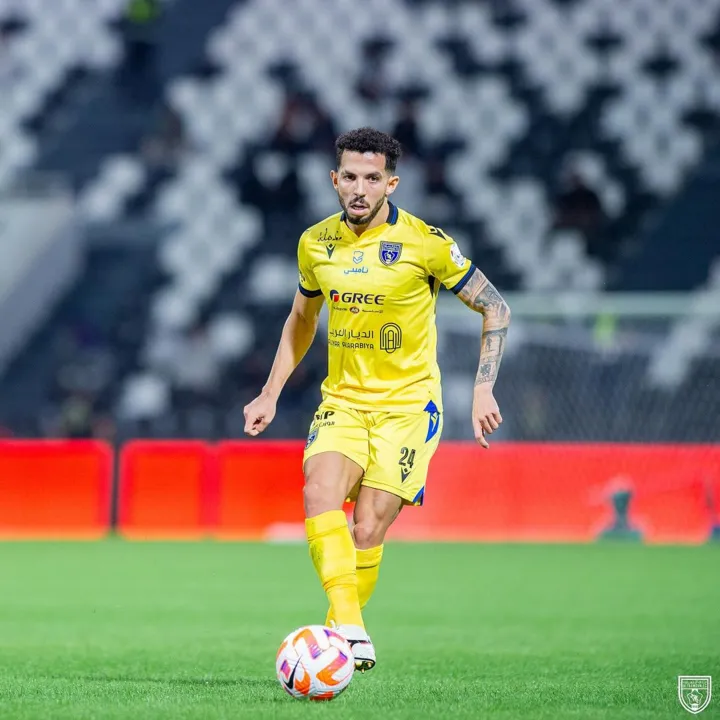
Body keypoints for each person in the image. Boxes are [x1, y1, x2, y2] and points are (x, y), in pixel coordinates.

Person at [243, 128, 511, 671]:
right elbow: (301, 318)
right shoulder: (316, 243)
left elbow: (496, 308)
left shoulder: (426, 243)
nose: (359, 189)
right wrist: (270, 392)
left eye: (371, 178)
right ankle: (350, 633)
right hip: (342, 401)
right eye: (349, 177)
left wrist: (482, 385)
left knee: (367, 528)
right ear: (334, 179)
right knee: (319, 491)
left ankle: (336, 634)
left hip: (409, 408)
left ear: (391, 182)